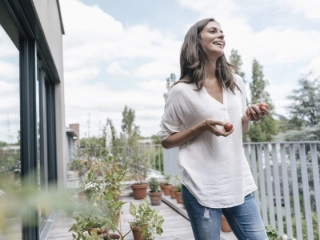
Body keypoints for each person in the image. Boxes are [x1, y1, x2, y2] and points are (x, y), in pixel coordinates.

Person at [158, 18, 269, 240]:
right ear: (196, 40)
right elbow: (166, 139)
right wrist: (201, 127)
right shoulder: (181, 91)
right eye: (212, 31)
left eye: (222, 32)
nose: (221, 35)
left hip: (239, 183)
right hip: (202, 188)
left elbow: (240, 130)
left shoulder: (236, 82)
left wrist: (246, 117)